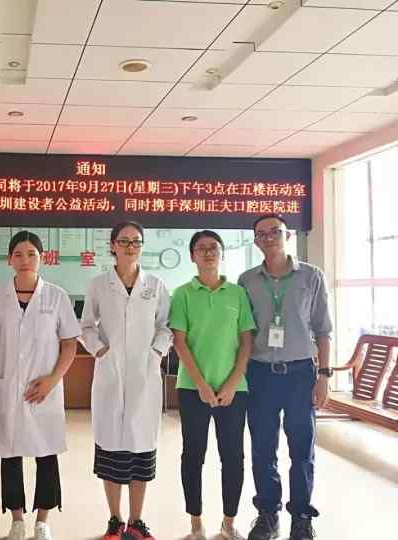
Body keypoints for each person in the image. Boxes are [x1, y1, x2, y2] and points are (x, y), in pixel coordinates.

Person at [238, 214, 333, 540]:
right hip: (261, 374)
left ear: (287, 235)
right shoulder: (247, 281)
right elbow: (243, 332)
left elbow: (323, 330)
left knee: (302, 449)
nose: (269, 238)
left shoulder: (311, 276)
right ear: (256, 241)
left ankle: (301, 516)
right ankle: (268, 514)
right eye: (262, 234)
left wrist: (324, 376)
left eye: (275, 232)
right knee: (263, 448)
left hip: (300, 374)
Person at [80, 221, 173, 540]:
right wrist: (100, 350)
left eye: (136, 241)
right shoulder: (98, 284)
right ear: (112, 245)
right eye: (124, 241)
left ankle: (136, 520)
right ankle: (115, 520)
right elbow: (86, 326)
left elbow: (166, 325)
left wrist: (155, 353)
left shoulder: (155, 285)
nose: (130, 246)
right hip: (110, 374)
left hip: (145, 375)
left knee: (141, 450)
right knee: (110, 449)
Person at [0, 231, 81, 540]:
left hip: (45, 391)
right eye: (18, 254)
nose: (25, 260)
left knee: (47, 455)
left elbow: (69, 344)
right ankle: (16, 520)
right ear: (9, 259)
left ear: (43, 258)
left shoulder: (56, 296)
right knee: (10, 456)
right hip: (8, 388)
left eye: (32, 254)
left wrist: (53, 380)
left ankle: (43, 521)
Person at [169, 230, 255, 540]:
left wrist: (232, 383)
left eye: (214, 248)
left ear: (221, 253)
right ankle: (196, 524)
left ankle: (229, 523)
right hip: (193, 389)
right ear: (192, 255)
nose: (208, 253)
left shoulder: (237, 294)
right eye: (201, 248)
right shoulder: (182, 294)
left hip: (234, 390)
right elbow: (179, 342)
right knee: (193, 455)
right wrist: (202, 385)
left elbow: (246, 342)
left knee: (232, 457)